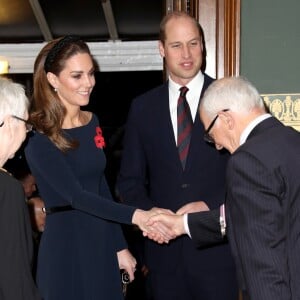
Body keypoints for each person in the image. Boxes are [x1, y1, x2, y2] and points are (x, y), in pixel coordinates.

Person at [24, 35, 170, 300]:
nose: (89, 83)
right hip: (65, 247)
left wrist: (120, 247)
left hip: (101, 241)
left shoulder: (93, 121)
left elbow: (100, 187)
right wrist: (138, 216)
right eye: (77, 76)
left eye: (90, 74)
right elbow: (77, 196)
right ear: (53, 80)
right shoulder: (38, 135)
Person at [117, 11, 238, 300]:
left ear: (203, 46)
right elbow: (129, 182)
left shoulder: (230, 98)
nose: (186, 54)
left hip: (218, 256)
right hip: (163, 259)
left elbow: (248, 172)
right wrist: (153, 219)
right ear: (161, 49)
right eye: (176, 45)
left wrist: (209, 205)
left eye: (193, 43)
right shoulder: (142, 108)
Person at [147, 76, 300, 300]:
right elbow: (265, 216)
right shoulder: (292, 140)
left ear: (226, 119)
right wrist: (183, 225)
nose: (216, 145)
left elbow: (263, 264)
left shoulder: (247, 161)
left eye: (210, 134)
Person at [0, 77, 41, 299]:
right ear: (9, 122)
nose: (26, 133)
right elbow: (14, 274)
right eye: (26, 124)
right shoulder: (7, 188)